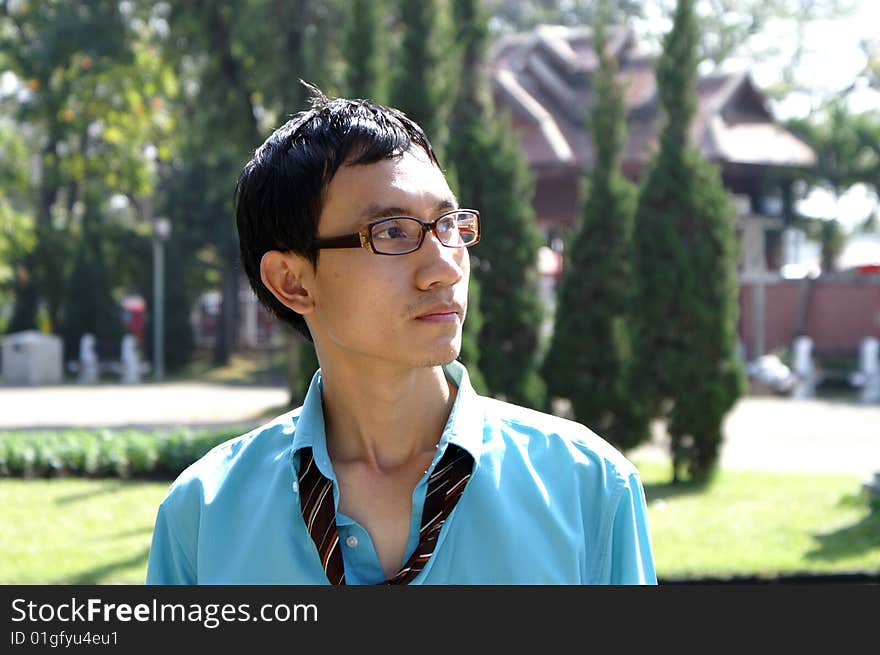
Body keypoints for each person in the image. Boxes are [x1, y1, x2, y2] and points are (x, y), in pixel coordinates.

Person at [145, 85, 657, 585]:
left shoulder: (587, 489)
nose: (444, 268)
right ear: (292, 281)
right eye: (392, 231)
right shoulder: (204, 518)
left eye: (448, 225)